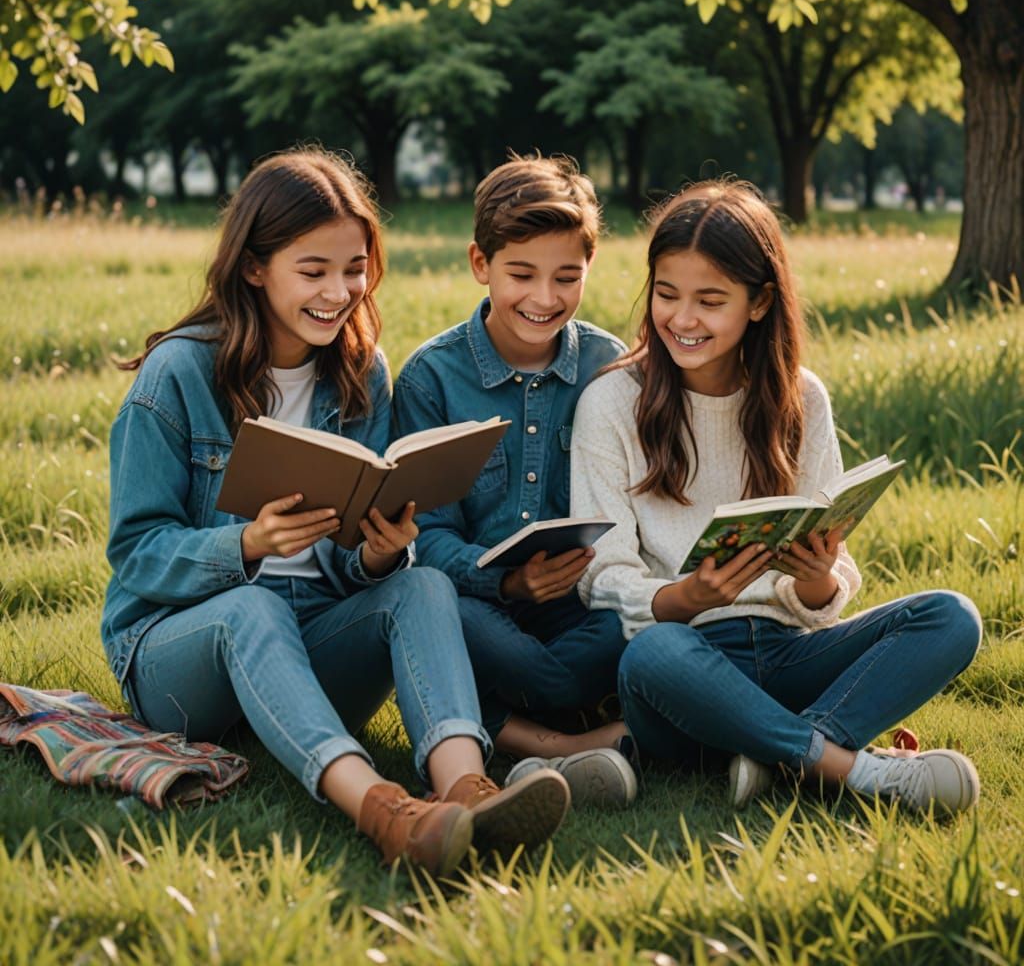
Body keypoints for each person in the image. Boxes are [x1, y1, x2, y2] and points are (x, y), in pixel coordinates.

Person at [100, 147, 571, 877]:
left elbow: (352, 561)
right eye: (313, 271)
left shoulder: (360, 371)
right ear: (254, 268)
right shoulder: (180, 374)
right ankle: (385, 812)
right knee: (252, 606)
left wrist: (377, 553)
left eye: (354, 269)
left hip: (313, 642)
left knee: (422, 583)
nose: (339, 292)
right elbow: (136, 552)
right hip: (179, 664)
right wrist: (247, 545)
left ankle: (467, 791)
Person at [570, 179, 982, 815]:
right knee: (654, 653)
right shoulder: (611, 402)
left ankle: (775, 750)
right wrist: (685, 598)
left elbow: (825, 584)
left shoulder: (801, 397)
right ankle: (845, 767)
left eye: (710, 301)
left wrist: (817, 580)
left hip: (790, 651)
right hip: (683, 663)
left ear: (760, 302)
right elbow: (601, 576)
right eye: (667, 294)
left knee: (951, 617)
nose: (682, 319)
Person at [392, 154, 637, 808]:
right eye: (521, 275)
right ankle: (566, 739)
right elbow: (426, 536)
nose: (544, 298)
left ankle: (521, 724)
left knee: (631, 631)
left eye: (567, 277)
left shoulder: (609, 365)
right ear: (481, 264)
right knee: (433, 619)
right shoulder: (431, 379)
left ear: (589, 266)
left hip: (577, 603)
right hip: (478, 605)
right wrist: (505, 582)